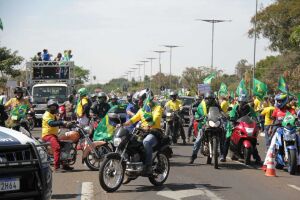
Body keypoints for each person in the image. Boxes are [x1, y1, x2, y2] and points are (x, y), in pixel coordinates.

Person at [122, 89, 163, 175]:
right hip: (143, 131)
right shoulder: (142, 110)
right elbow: (133, 119)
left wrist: (149, 126)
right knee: (130, 141)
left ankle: (148, 165)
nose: (140, 101)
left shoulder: (157, 108)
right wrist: (123, 124)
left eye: (142, 99)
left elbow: (155, 118)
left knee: (146, 142)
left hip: (154, 132)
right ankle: (134, 161)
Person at [221, 94, 261, 163]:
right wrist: (231, 120)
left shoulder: (250, 108)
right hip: (235, 124)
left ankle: (256, 156)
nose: (243, 104)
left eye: (244, 102)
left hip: (245, 125)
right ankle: (223, 156)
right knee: (228, 138)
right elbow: (232, 115)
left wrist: (257, 123)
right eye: (241, 102)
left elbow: (254, 116)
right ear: (239, 102)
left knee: (252, 139)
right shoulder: (235, 108)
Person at [189, 92, 221, 164]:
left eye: (211, 99)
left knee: (223, 133)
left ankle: (222, 153)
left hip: (214, 122)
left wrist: (224, 115)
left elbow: (220, 111)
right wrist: (198, 118)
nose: (209, 100)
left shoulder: (215, 104)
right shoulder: (201, 105)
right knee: (198, 141)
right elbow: (197, 113)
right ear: (205, 99)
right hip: (204, 123)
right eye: (208, 99)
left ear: (213, 99)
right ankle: (193, 156)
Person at [42, 100, 73, 172]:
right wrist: (62, 122)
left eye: (54, 107)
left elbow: (59, 121)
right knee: (57, 147)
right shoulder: (46, 115)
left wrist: (70, 122)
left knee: (67, 144)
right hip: (48, 135)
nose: (53, 108)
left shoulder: (54, 115)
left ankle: (65, 164)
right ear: (49, 108)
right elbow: (52, 123)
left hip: (54, 135)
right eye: (52, 107)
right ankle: (56, 167)